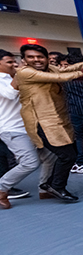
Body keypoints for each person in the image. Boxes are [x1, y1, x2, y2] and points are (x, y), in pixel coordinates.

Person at [15, 44, 83, 202]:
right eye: (31, 57)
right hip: (41, 121)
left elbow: (63, 71)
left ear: (47, 58)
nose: (37, 60)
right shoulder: (25, 72)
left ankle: (49, 184)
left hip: (58, 119)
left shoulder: (50, 68)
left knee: (68, 154)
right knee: (67, 156)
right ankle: (56, 186)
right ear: (24, 60)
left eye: (40, 57)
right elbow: (61, 78)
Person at [0, 49, 41, 208]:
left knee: (51, 156)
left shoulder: (11, 77)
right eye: (10, 62)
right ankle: (2, 188)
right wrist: (20, 73)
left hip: (29, 126)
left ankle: (47, 187)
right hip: (12, 128)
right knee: (30, 162)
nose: (15, 64)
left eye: (15, 61)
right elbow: (10, 94)